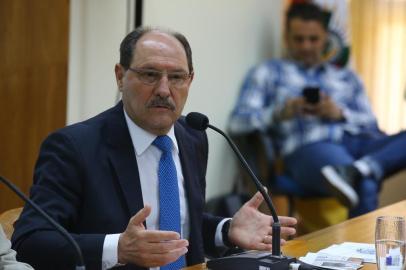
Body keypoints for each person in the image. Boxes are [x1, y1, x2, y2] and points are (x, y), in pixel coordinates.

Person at [11, 27, 297, 270]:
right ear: (120, 76)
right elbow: (30, 241)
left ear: (190, 80)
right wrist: (118, 248)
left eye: (176, 77)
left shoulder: (193, 136)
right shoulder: (73, 147)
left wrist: (226, 230)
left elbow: (180, 226)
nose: (163, 89)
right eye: (150, 74)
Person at [229, 2, 406, 217]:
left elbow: (371, 124)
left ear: (326, 38)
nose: (306, 46)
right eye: (298, 39)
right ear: (286, 37)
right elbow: (237, 122)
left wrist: (340, 113)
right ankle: (361, 173)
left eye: (313, 39)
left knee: (371, 166)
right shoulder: (267, 72)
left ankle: (357, 170)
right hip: (308, 148)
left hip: (357, 143)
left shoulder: (347, 77)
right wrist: (279, 113)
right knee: (364, 184)